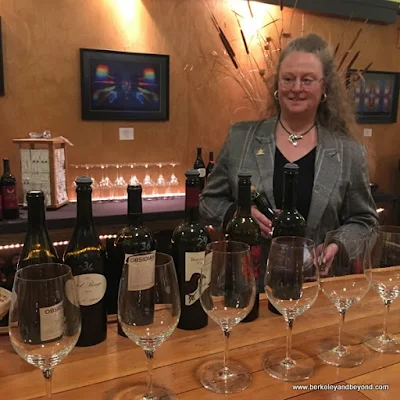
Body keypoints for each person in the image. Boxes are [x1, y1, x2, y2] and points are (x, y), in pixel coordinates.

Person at [200, 33, 378, 266]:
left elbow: (365, 222)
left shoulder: (348, 152)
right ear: (277, 84)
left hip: (316, 286)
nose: (296, 88)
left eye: (307, 80)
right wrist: (236, 214)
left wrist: (338, 244)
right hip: (249, 284)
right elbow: (207, 201)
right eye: (288, 78)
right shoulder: (240, 139)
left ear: (324, 87)